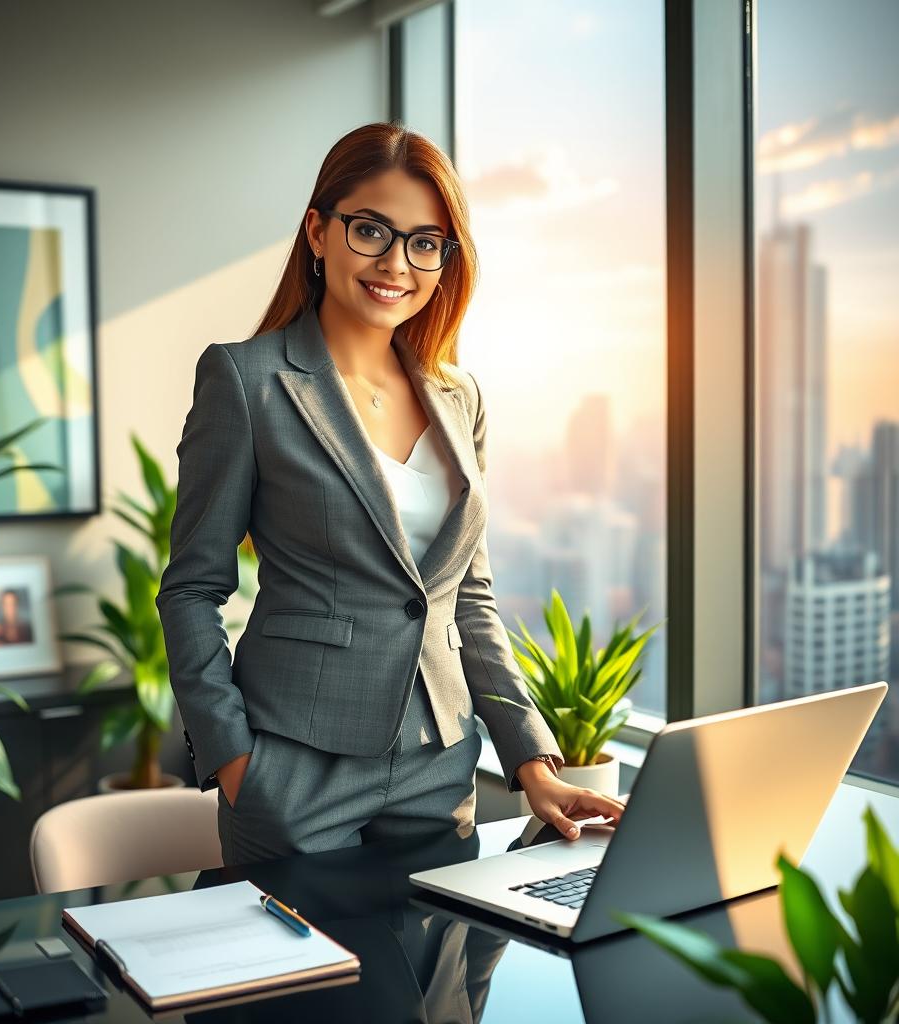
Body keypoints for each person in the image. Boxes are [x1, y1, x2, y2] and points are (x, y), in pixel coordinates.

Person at [156, 120, 624, 867]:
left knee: (436, 981)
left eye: (425, 242)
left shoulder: (458, 395)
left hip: (438, 770)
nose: (396, 263)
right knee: (308, 985)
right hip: (294, 767)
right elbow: (191, 589)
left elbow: (467, 597)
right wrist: (235, 761)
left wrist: (533, 762)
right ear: (317, 231)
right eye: (370, 230)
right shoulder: (246, 381)